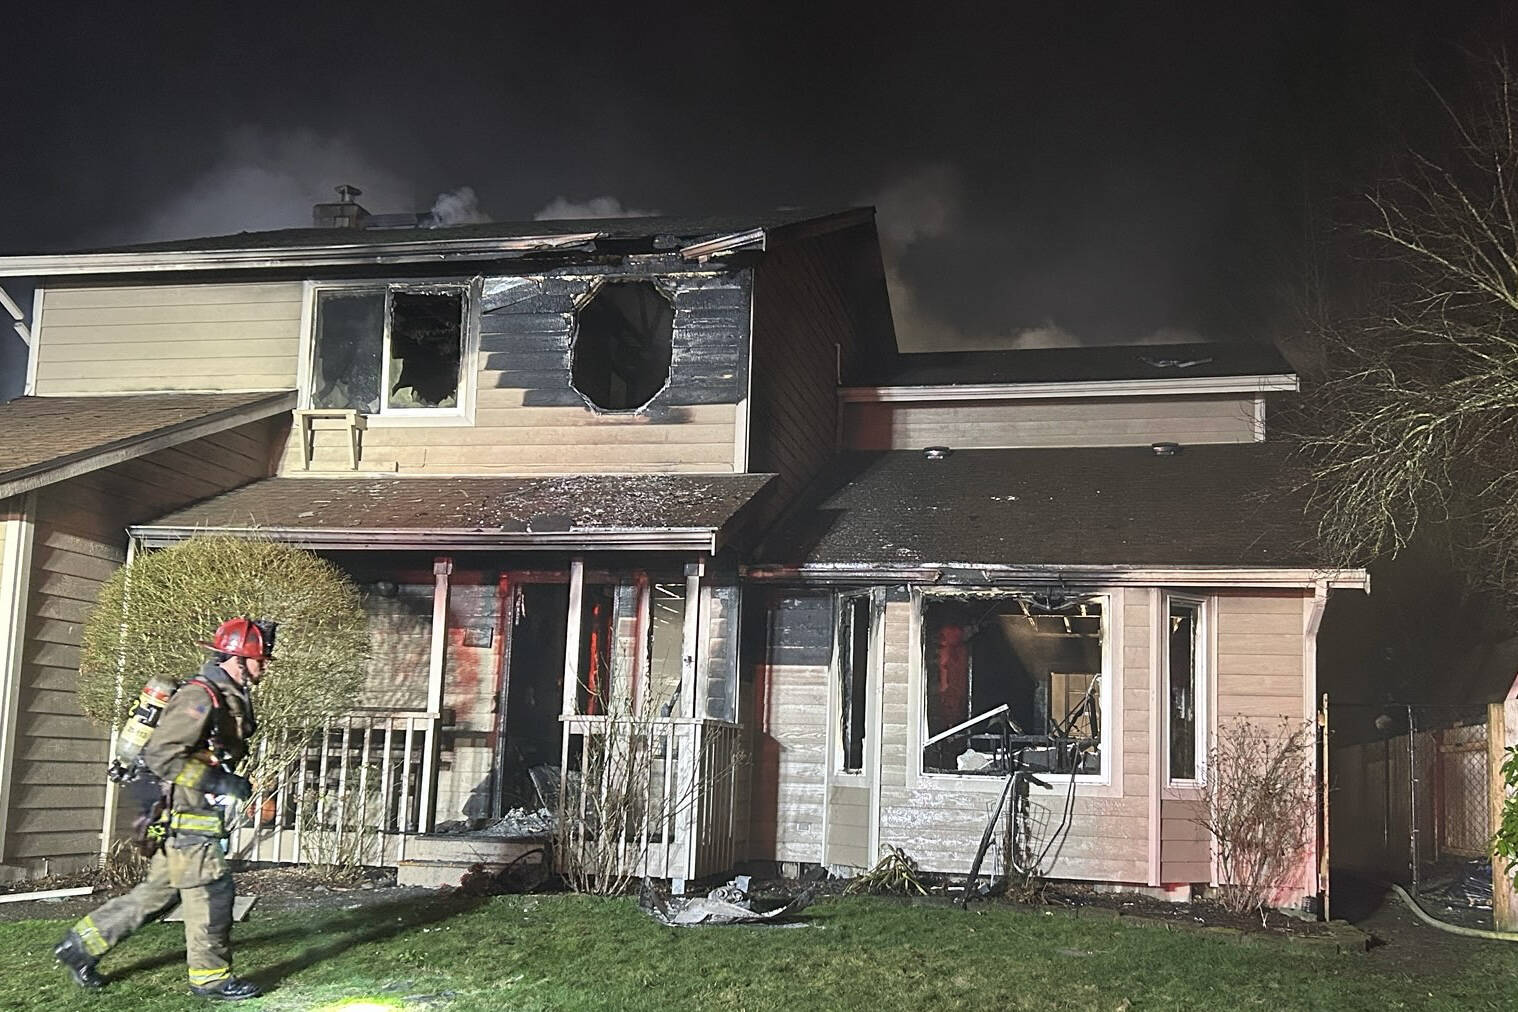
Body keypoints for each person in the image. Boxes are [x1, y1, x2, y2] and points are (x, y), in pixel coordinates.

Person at [54, 617, 276, 1002]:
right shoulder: (200, 697)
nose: (266, 665)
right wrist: (220, 783)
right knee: (211, 892)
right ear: (238, 659)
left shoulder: (226, 694)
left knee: (158, 894)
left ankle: (80, 945)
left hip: (188, 814)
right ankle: (211, 979)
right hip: (188, 816)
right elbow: (161, 755)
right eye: (260, 658)